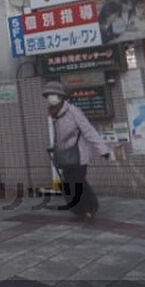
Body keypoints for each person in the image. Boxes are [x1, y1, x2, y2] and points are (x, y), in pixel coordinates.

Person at [43, 81, 110, 220]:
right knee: (71, 184)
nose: (51, 97)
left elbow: (88, 130)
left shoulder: (73, 111)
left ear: (61, 96)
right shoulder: (54, 113)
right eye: (48, 95)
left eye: (53, 94)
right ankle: (81, 211)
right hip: (66, 156)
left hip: (79, 154)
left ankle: (89, 208)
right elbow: (59, 136)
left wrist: (103, 149)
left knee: (76, 183)